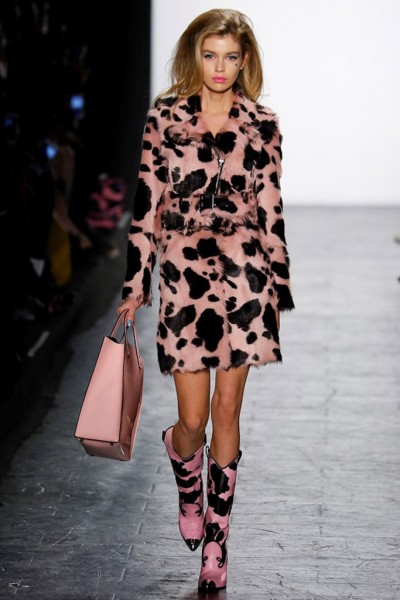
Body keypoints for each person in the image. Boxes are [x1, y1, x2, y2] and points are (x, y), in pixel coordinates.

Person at [118, 8, 294, 592]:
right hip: (185, 278)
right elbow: (146, 207)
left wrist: (278, 284)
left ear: (245, 62)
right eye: (211, 54)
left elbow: (270, 209)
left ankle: (217, 544)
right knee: (192, 421)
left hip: (245, 277)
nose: (220, 67)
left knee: (226, 410)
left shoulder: (262, 125)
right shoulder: (165, 119)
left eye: (231, 57)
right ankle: (184, 468)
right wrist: (135, 284)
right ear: (196, 55)